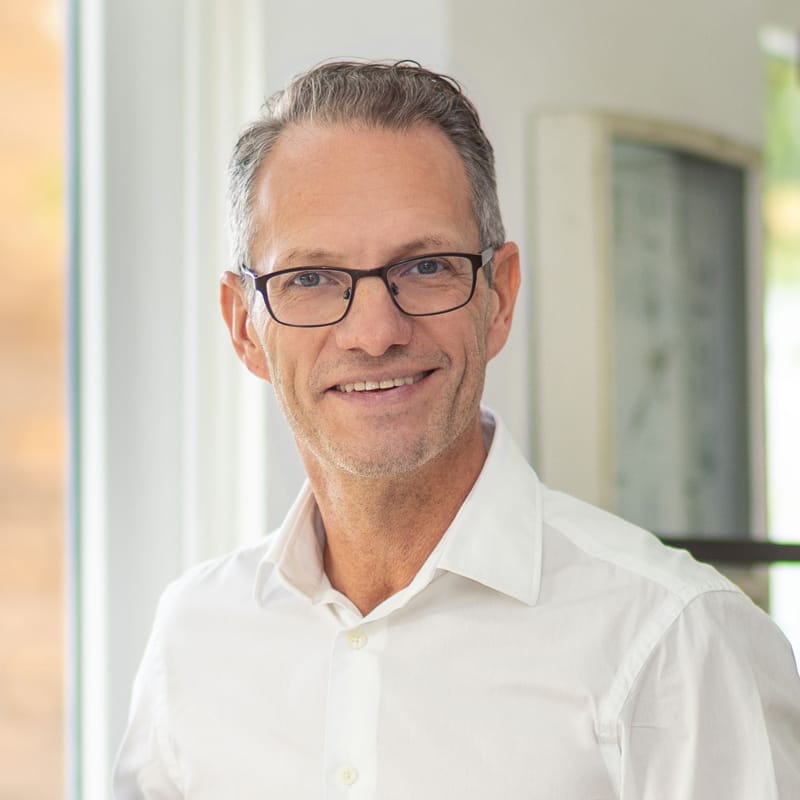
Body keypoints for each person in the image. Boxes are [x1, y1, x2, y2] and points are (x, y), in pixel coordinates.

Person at [113, 60, 800, 799]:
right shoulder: (195, 637)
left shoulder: (678, 643)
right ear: (243, 328)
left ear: (499, 297)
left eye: (427, 266)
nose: (374, 332)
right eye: (309, 279)